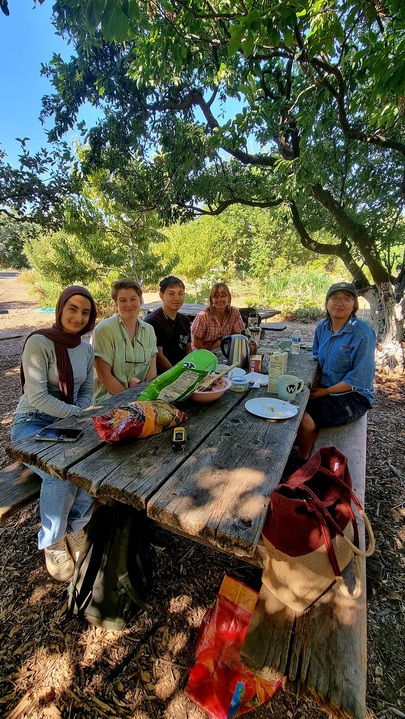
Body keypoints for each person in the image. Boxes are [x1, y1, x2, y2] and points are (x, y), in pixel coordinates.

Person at [11, 285, 98, 582]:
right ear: (60, 308)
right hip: (32, 422)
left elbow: (87, 391)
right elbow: (36, 396)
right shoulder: (40, 342)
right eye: (72, 308)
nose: (78, 316)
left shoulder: (86, 349)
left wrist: (82, 413)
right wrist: (79, 415)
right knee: (58, 471)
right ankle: (52, 540)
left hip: (68, 423)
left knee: (94, 462)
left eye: (85, 312)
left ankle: (74, 526)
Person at [296, 282, 376, 460]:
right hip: (326, 387)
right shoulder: (322, 327)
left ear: (354, 304)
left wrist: (326, 391)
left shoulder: (362, 334)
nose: (339, 303)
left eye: (346, 299)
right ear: (327, 302)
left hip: (354, 396)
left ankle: (303, 463)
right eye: (335, 298)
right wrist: (316, 383)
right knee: (291, 406)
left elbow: (359, 380)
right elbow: (316, 356)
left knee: (305, 420)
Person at [92, 278, 157, 402]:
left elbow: (151, 373)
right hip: (109, 401)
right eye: (123, 300)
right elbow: (104, 376)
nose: (128, 304)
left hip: (142, 399)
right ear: (116, 305)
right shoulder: (104, 330)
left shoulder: (149, 330)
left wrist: (146, 399)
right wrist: (130, 401)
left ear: (141, 301)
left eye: (133, 299)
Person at [144, 275, 192, 374]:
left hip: (183, 372)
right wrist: (176, 374)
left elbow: (188, 349)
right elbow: (158, 356)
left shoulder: (185, 320)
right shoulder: (152, 322)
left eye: (180, 293)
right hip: (161, 376)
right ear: (161, 296)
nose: (177, 298)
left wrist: (189, 370)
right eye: (171, 293)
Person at [191, 282, 245, 352]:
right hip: (201, 352)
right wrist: (209, 355)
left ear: (228, 298)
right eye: (216, 297)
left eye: (223, 296)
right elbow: (196, 343)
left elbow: (236, 336)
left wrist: (220, 342)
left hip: (224, 350)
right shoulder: (203, 316)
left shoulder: (234, 313)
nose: (219, 300)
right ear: (211, 300)